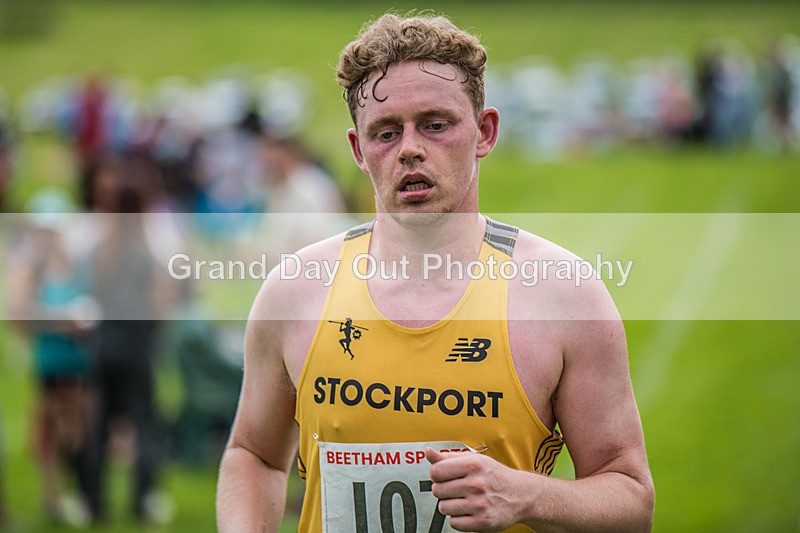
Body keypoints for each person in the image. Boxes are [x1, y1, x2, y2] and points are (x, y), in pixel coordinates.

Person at [217, 13, 654, 533]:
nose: (409, 149)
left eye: (435, 124)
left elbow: (630, 499)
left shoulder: (564, 295)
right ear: (358, 149)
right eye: (385, 132)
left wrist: (528, 496)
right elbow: (255, 454)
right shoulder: (295, 291)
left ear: (484, 132)